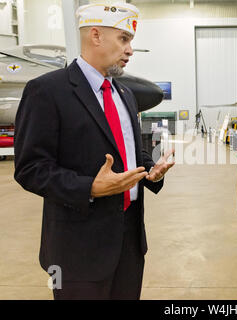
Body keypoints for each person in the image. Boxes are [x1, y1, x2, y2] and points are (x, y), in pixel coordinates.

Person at [14, 2, 174, 300]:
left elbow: (129, 149)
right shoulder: (47, 91)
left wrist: (149, 170)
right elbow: (30, 168)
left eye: (131, 42)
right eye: (124, 39)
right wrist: (89, 187)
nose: (130, 50)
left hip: (129, 243)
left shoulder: (124, 93)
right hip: (76, 250)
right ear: (96, 36)